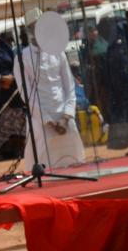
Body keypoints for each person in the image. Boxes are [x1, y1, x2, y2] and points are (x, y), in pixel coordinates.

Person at [19, 13, 85, 170]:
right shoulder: (23, 57)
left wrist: (66, 116)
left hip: (64, 116)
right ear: (30, 31)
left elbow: (69, 87)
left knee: (73, 161)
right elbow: (26, 95)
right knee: (44, 164)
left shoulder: (58, 52)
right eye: (35, 27)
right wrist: (49, 120)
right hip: (41, 119)